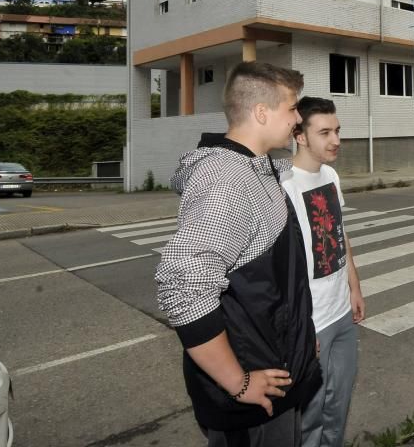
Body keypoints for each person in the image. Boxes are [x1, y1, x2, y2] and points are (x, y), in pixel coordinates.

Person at [155, 61, 321, 446]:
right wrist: (238, 382)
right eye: (292, 108)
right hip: (252, 402)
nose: (298, 119)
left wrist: (300, 335)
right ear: (262, 113)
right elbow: (183, 287)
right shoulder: (228, 181)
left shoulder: (257, 170)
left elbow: (272, 283)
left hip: (276, 376)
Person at [281, 96, 365, 447]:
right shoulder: (283, 185)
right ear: (300, 136)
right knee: (311, 410)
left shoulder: (329, 174)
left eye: (338, 131)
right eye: (325, 132)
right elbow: (284, 266)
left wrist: (355, 286)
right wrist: (300, 326)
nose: (336, 140)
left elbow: (339, 233)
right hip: (311, 320)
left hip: (341, 310)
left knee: (339, 402)